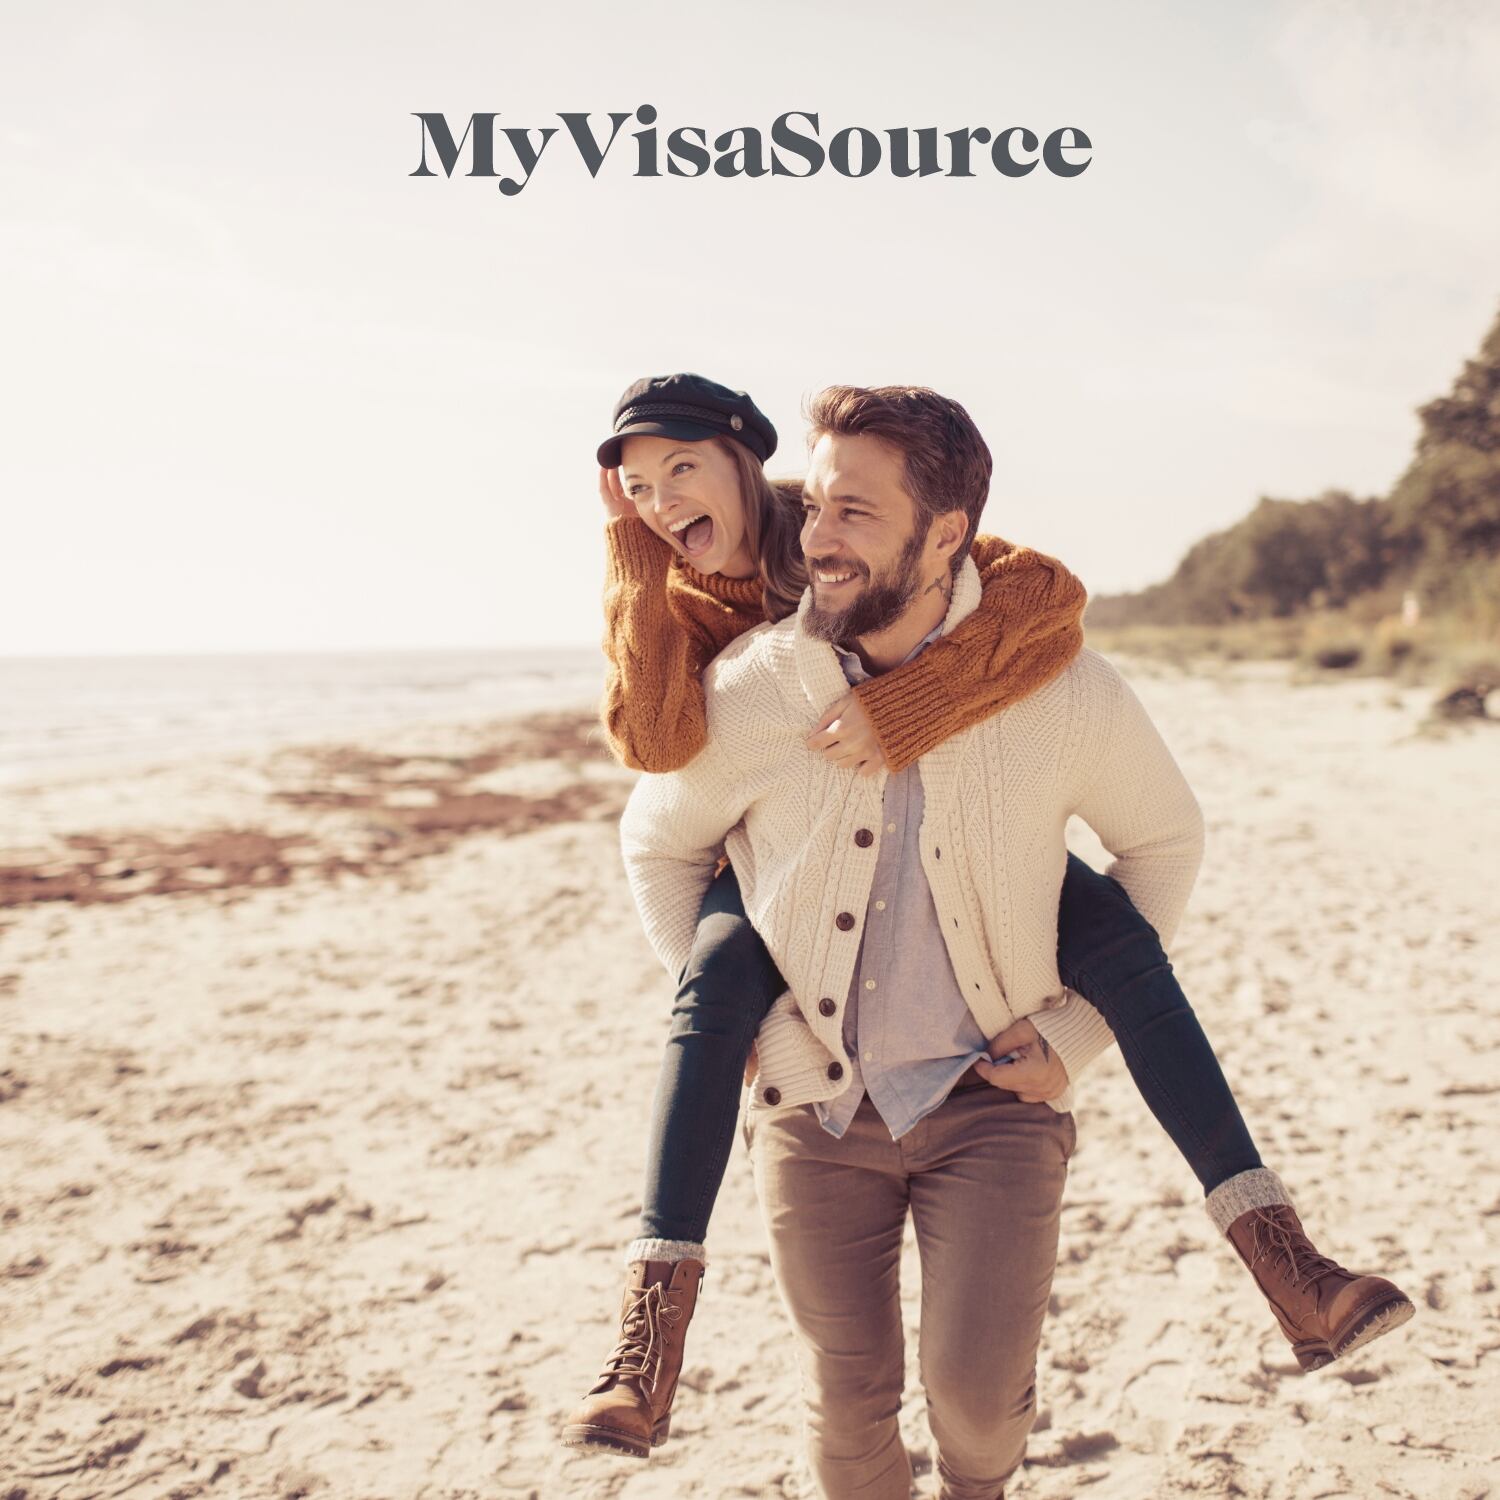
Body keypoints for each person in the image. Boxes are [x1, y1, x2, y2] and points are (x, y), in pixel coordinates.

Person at [560, 375, 1413, 1471]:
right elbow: (654, 809)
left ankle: (1286, 1259)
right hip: (817, 1103)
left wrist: (1068, 1039)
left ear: (947, 530)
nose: (819, 535)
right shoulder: (756, 674)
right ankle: (648, 1335)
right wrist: (770, 1036)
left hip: (990, 1110)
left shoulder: (1041, 672)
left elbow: (1156, 823)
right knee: (846, 1404)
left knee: (977, 1411)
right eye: (816, 506)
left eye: (854, 511)